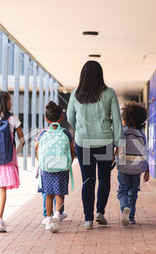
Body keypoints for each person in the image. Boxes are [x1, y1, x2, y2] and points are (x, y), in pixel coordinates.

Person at [67, 60, 124, 229]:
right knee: (104, 178)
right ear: (100, 74)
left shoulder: (75, 94)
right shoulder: (109, 93)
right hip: (104, 141)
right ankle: (100, 212)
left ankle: (88, 219)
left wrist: (81, 129)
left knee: (87, 180)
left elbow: (70, 117)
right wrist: (119, 142)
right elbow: (117, 119)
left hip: (83, 142)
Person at [0, 90, 24, 232]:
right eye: (9, 100)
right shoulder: (12, 119)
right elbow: (22, 140)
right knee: (2, 188)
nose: (11, 102)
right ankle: (0, 219)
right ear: (4, 102)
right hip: (7, 157)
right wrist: (14, 152)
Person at [36, 101, 75, 233]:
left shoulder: (42, 133)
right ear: (61, 118)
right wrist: (71, 161)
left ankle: (48, 219)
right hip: (62, 166)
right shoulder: (66, 133)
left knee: (48, 195)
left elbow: (36, 147)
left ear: (46, 119)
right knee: (60, 193)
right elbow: (71, 149)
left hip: (46, 167)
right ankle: (58, 214)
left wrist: (39, 160)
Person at [116, 102, 150, 226]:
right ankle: (131, 217)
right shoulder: (141, 135)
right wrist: (147, 171)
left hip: (124, 167)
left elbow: (116, 148)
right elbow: (145, 154)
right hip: (137, 169)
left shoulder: (123, 133)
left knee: (122, 191)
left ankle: (125, 207)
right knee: (133, 192)